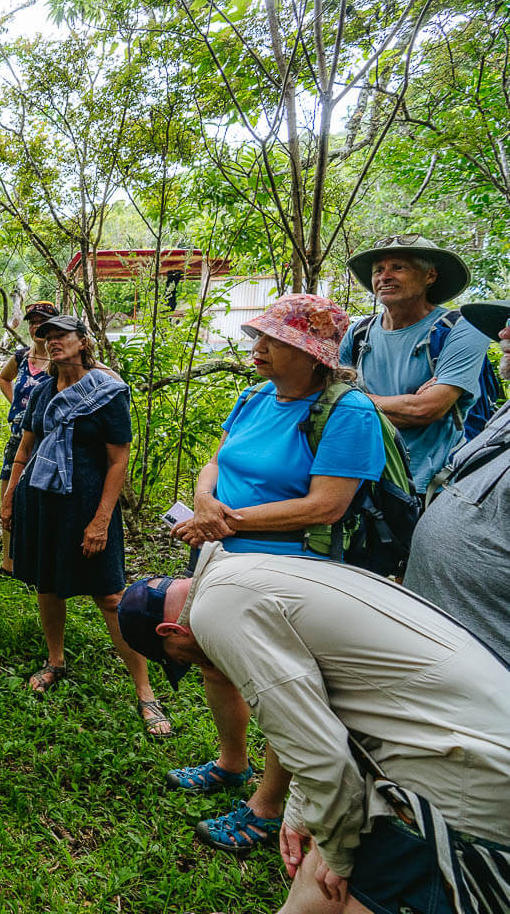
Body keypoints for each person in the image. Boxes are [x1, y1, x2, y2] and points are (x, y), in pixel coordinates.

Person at [119, 550, 510, 914]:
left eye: (184, 659)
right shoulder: (242, 571)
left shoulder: (216, 613)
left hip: (463, 772)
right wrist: (302, 811)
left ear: (171, 630)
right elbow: (319, 715)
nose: (198, 664)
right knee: (315, 883)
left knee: (341, 885)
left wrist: (339, 853)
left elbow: (322, 756)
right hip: (463, 727)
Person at [166, 294, 386, 856]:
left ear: (313, 357)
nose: (258, 349)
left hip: (288, 570)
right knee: (213, 661)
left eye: (275, 342)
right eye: (259, 338)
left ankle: (267, 806)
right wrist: (203, 502)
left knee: (275, 685)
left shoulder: (349, 412)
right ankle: (230, 763)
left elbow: (326, 505)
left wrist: (222, 521)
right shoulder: (255, 395)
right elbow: (217, 461)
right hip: (220, 551)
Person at [4, 314, 171, 737]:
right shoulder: (43, 391)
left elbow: (118, 461)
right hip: (41, 500)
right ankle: (55, 661)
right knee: (47, 584)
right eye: (48, 337)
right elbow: (27, 445)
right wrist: (9, 494)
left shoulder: (108, 392)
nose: (53, 342)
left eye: (62, 335)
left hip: (87, 504)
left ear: (82, 341)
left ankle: (146, 691)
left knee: (111, 596)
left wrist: (100, 521)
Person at [338, 234, 490, 495]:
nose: (384, 277)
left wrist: (356, 401)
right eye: (378, 270)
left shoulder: (460, 329)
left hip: (434, 485)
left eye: (398, 267)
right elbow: (331, 402)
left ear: (429, 276)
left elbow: (426, 410)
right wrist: (405, 404)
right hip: (363, 476)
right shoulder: (357, 333)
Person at [403, 299, 510, 661]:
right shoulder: (505, 412)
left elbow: (426, 409)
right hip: (446, 641)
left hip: (490, 661)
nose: (503, 334)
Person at [0, 300, 56, 578]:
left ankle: (39, 563)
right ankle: (9, 563)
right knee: (9, 495)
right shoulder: (20, 357)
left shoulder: (59, 360)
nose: (36, 327)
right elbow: (3, 378)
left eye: (42, 322)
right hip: (17, 435)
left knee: (41, 500)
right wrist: (16, 406)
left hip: (46, 439)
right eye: (32, 322)